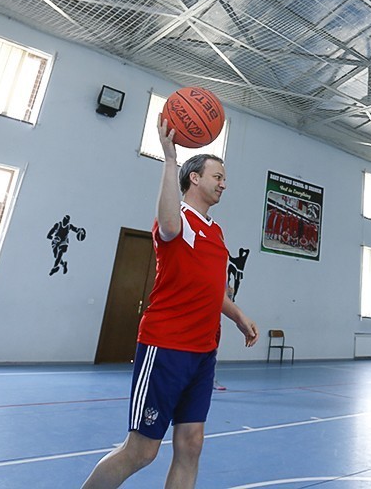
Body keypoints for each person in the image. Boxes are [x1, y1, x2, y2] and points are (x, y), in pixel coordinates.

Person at [82, 117, 259, 489]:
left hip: (203, 351)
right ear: (194, 178)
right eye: (217, 176)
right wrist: (169, 158)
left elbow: (212, 289)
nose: (224, 184)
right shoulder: (179, 219)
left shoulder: (216, 231)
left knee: (191, 444)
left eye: (224, 178)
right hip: (166, 346)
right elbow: (167, 224)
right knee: (141, 451)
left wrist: (238, 315)